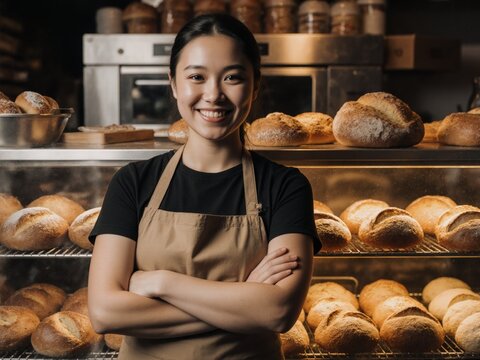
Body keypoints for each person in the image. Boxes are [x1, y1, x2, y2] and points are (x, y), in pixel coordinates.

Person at [87, 14, 320, 360]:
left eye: (232, 78)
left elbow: (279, 312)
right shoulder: (133, 182)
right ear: (173, 83)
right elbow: (106, 312)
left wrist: (162, 283)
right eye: (197, 76)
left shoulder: (286, 187)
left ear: (255, 87)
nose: (213, 95)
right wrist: (245, 298)